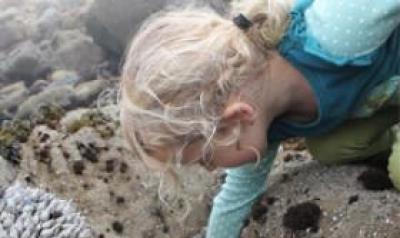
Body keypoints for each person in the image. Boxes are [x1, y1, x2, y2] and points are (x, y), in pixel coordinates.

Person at [119, 0, 400, 237]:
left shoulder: (336, 31)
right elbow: (235, 199)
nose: (210, 171)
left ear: (235, 119)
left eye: (206, 160)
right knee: (330, 148)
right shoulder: (265, 124)